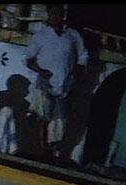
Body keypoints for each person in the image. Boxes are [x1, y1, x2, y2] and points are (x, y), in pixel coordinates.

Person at [23, 4, 88, 159]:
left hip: (64, 84)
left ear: (62, 15)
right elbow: (28, 58)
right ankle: (42, 150)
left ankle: (54, 151)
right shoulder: (41, 35)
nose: (54, 17)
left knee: (59, 120)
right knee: (43, 116)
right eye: (51, 14)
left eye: (57, 14)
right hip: (45, 83)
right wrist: (40, 71)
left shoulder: (72, 36)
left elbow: (83, 56)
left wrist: (75, 74)